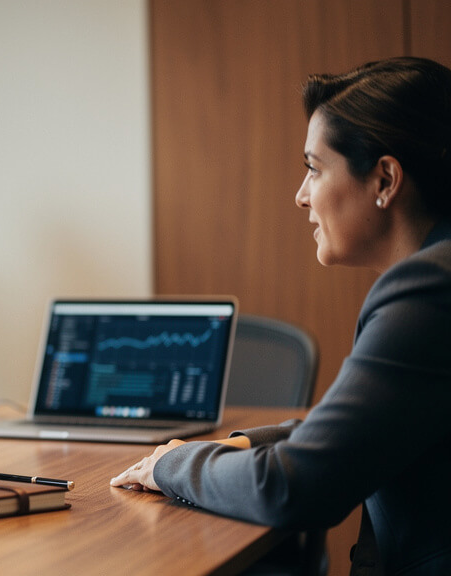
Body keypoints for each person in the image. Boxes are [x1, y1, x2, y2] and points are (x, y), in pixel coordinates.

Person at [110, 56, 451, 575]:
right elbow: (359, 430)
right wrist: (243, 443)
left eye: (314, 168)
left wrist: (170, 464)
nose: (300, 195)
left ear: (385, 179)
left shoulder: (428, 293)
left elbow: (293, 487)